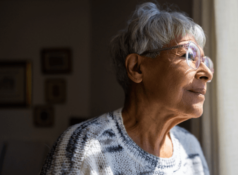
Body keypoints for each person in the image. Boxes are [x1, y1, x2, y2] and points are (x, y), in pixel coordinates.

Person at [40, 2, 213, 175]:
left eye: (205, 62)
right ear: (136, 68)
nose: (207, 73)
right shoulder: (84, 147)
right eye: (188, 56)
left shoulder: (190, 147)